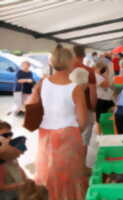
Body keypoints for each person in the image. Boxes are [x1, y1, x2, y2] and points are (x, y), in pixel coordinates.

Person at [28, 45, 88, 200]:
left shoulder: (42, 83)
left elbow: (30, 106)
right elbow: (83, 121)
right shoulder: (76, 88)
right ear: (71, 63)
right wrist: (75, 131)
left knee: (48, 173)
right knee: (71, 177)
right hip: (68, 133)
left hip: (46, 134)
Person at [73, 45, 97, 148]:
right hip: (85, 107)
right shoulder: (89, 70)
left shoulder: (66, 70)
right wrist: (93, 109)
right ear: (83, 55)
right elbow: (93, 94)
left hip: (69, 108)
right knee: (84, 141)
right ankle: (81, 163)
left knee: (72, 139)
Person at [94, 62, 115, 133]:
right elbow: (106, 84)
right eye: (104, 70)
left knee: (111, 115)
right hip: (101, 100)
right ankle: (100, 135)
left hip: (106, 99)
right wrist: (105, 76)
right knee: (99, 120)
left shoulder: (98, 76)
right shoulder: (97, 76)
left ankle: (106, 132)